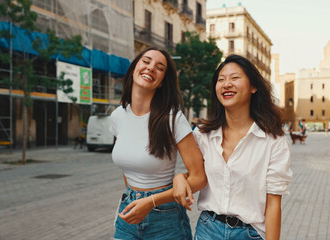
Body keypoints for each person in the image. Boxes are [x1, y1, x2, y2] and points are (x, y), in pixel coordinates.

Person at [173, 55, 292, 240]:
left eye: (234, 78)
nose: (226, 84)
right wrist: (180, 177)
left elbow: (273, 205)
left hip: (250, 234)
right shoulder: (203, 135)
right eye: (221, 79)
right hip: (208, 230)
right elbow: (197, 176)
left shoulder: (273, 141)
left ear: (253, 87)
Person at [109, 47, 207, 240]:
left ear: (162, 82)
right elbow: (128, 167)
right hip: (129, 211)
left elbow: (199, 178)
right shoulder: (117, 116)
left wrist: (151, 202)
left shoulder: (172, 119)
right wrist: (135, 198)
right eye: (146, 61)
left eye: (159, 67)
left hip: (165, 218)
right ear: (135, 67)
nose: (151, 68)